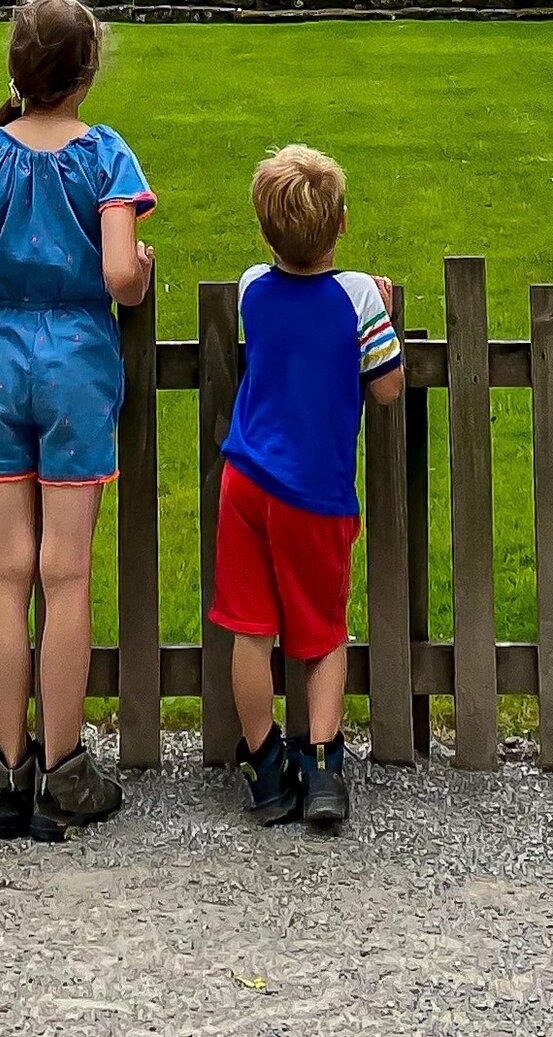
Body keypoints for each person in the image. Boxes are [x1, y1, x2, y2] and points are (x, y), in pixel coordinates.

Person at [0, 0, 154, 842]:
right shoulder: (105, 154)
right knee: (65, 573)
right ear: (87, 72)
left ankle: (6, 764)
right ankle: (66, 768)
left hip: (1, 363)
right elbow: (119, 272)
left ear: (16, 72)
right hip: (76, 367)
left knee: (5, 572)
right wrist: (137, 273)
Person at [208, 142, 405, 833]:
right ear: (343, 222)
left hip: (245, 480)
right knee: (320, 633)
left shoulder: (250, 287)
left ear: (266, 231)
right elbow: (386, 388)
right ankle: (322, 765)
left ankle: (263, 765)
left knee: (251, 628)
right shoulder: (354, 298)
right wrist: (379, 308)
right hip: (314, 492)